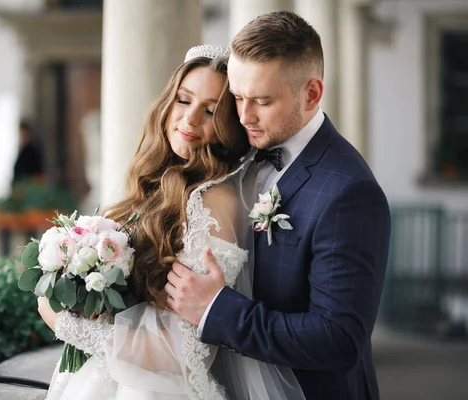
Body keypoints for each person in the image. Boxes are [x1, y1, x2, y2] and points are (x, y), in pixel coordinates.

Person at [37, 45, 306, 399]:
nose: (191, 119)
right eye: (184, 100)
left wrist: (66, 324)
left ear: (228, 126)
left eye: (210, 111)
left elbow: (187, 350)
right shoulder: (156, 181)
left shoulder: (212, 203)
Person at [166, 11, 391, 400]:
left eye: (263, 101)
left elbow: (339, 340)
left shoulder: (349, 193)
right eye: (237, 97)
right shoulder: (236, 146)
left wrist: (217, 309)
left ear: (312, 94)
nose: (244, 115)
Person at [12, 120, 44, 185]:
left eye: (21, 132)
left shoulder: (32, 151)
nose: (20, 135)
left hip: (28, 186)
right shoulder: (22, 149)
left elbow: (37, 172)